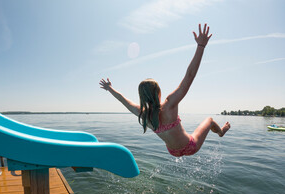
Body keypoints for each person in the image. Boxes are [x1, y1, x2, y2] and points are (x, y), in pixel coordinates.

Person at [99, 24, 230, 157]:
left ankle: (220, 132)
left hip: (173, 152)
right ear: (158, 92)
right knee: (209, 120)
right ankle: (221, 132)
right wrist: (201, 46)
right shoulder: (169, 104)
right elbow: (190, 75)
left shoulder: (142, 114)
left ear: (141, 96)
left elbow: (123, 100)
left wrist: (110, 88)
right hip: (190, 147)